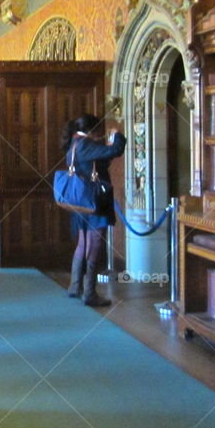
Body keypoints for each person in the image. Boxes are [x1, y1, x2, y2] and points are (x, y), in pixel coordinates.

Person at [62, 114, 126, 307]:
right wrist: (118, 135)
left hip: (81, 201)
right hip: (94, 201)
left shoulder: (75, 143)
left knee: (83, 243)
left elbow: (96, 162)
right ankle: (89, 292)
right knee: (95, 243)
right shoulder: (85, 144)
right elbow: (116, 150)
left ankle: (75, 286)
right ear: (92, 129)